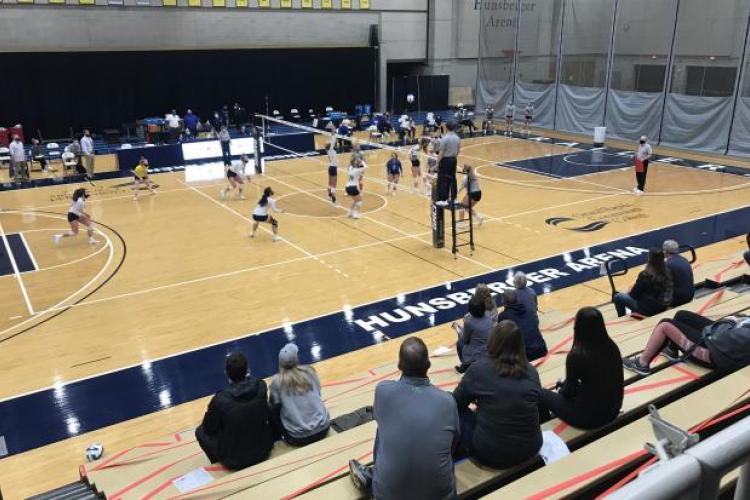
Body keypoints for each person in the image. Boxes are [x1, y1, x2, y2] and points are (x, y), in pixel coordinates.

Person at [348, 337, 460, 500]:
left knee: (383, 429)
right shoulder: (448, 401)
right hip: (441, 496)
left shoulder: (383, 391)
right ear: (428, 365)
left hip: (387, 495)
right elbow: (455, 442)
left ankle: (372, 474)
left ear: (399, 366)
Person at [453, 320, 543, 468]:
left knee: (456, 410)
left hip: (492, 455)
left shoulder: (478, 369)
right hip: (531, 448)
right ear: (520, 344)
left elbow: (456, 402)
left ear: (493, 341)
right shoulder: (532, 371)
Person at [540, 307, 623, 429]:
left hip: (590, 419)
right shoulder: (612, 346)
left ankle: (543, 426)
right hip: (613, 410)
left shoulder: (577, 355)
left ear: (577, 327)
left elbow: (568, 392)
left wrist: (562, 389)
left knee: (539, 394)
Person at [195, 352, 274, 470]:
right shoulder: (261, 386)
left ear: (226, 373)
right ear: (247, 370)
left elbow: (209, 429)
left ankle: (218, 462)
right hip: (263, 450)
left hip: (234, 461)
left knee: (200, 432)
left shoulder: (219, 400)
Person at [623, 310, 750, 375]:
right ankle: (672, 350)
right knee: (681, 315)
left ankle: (641, 364)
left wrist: (731, 320)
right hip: (724, 343)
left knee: (665, 324)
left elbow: (724, 336)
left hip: (716, 355)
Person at [269, 343, 330, 446]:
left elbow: (273, 407)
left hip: (298, 438)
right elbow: (318, 394)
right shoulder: (310, 371)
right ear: (296, 359)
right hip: (323, 428)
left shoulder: (276, 381)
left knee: (274, 411)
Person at [614, 248, 673, 317]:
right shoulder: (667, 271)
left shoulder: (645, 274)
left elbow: (634, 295)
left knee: (618, 297)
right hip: (662, 307)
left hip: (647, 310)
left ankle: (621, 317)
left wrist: (630, 291)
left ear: (649, 259)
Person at [498, 289, 547, 361]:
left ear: (504, 302)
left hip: (526, 355)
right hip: (541, 348)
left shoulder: (503, 316)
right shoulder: (529, 309)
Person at [453, 294, 493, 373]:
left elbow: (465, 340)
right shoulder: (488, 316)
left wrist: (457, 328)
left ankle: (465, 365)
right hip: (489, 348)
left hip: (478, 351)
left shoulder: (469, 323)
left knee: (459, 343)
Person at [434, 121, 460, 207]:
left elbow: (441, 152)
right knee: (453, 179)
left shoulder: (445, 138)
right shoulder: (457, 138)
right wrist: (453, 157)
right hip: (453, 160)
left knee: (443, 179)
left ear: (446, 128)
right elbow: (458, 151)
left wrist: (437, 163)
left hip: (445, 160)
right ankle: (454, 198)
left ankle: (444, 199)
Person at [664, 239, 694, 307]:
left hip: (677, 300)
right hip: (690, 296)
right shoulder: (684, 259)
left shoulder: (668, 265)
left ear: (665, 251)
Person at [325, 139, 338, 206]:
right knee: (333, 185)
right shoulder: (331, 151)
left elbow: (332, 143)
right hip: (333, 168)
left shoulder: (329, 151)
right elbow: (333, 142)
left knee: (330, 183)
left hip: (330, 167)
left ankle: (329, 195)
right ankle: (334, 201)